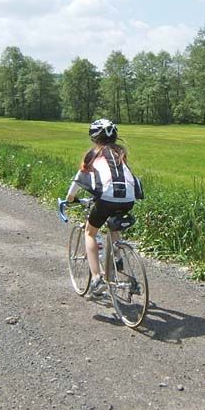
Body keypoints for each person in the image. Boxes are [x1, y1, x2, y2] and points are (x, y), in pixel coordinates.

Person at [65, 118, 142, 297]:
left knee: (90, 233)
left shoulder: (93, 154)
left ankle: (96, 279)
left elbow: (79, 178)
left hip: (107, 198)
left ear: (94, 138)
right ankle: (118, 257)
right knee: (113, 225)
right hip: (129, 198)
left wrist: (70, 198)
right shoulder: (120, 153)